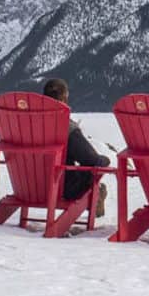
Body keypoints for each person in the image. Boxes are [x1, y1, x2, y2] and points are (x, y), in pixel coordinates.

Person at [42, 78, 110, 216]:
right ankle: (95, 193)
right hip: (64, 189)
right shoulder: (66, 127)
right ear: (65, 98)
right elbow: (91, 160)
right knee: (98, 165)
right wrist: (104, 160)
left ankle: (97, 193)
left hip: (29, 187)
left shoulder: (27, 125)